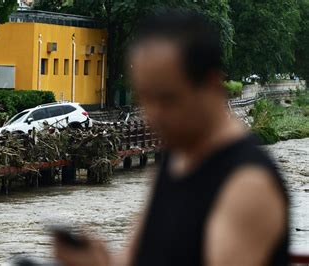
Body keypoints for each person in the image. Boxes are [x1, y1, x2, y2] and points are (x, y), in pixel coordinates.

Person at [53, 9, 289, 266]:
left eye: (168, 98)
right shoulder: (176, 159)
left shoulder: (248, 185)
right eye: (144, 98)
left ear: (211, 85)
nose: (153, 115)